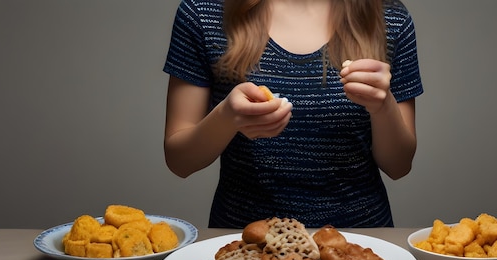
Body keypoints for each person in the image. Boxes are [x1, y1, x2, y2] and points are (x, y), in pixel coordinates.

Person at [162, 0, 423, 228]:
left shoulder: (390, 19)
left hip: (358, 245)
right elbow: (179, 161)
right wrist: (226, 118)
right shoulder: (202, 13)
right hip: (245, 245)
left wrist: (383, 106)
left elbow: (399, 166)